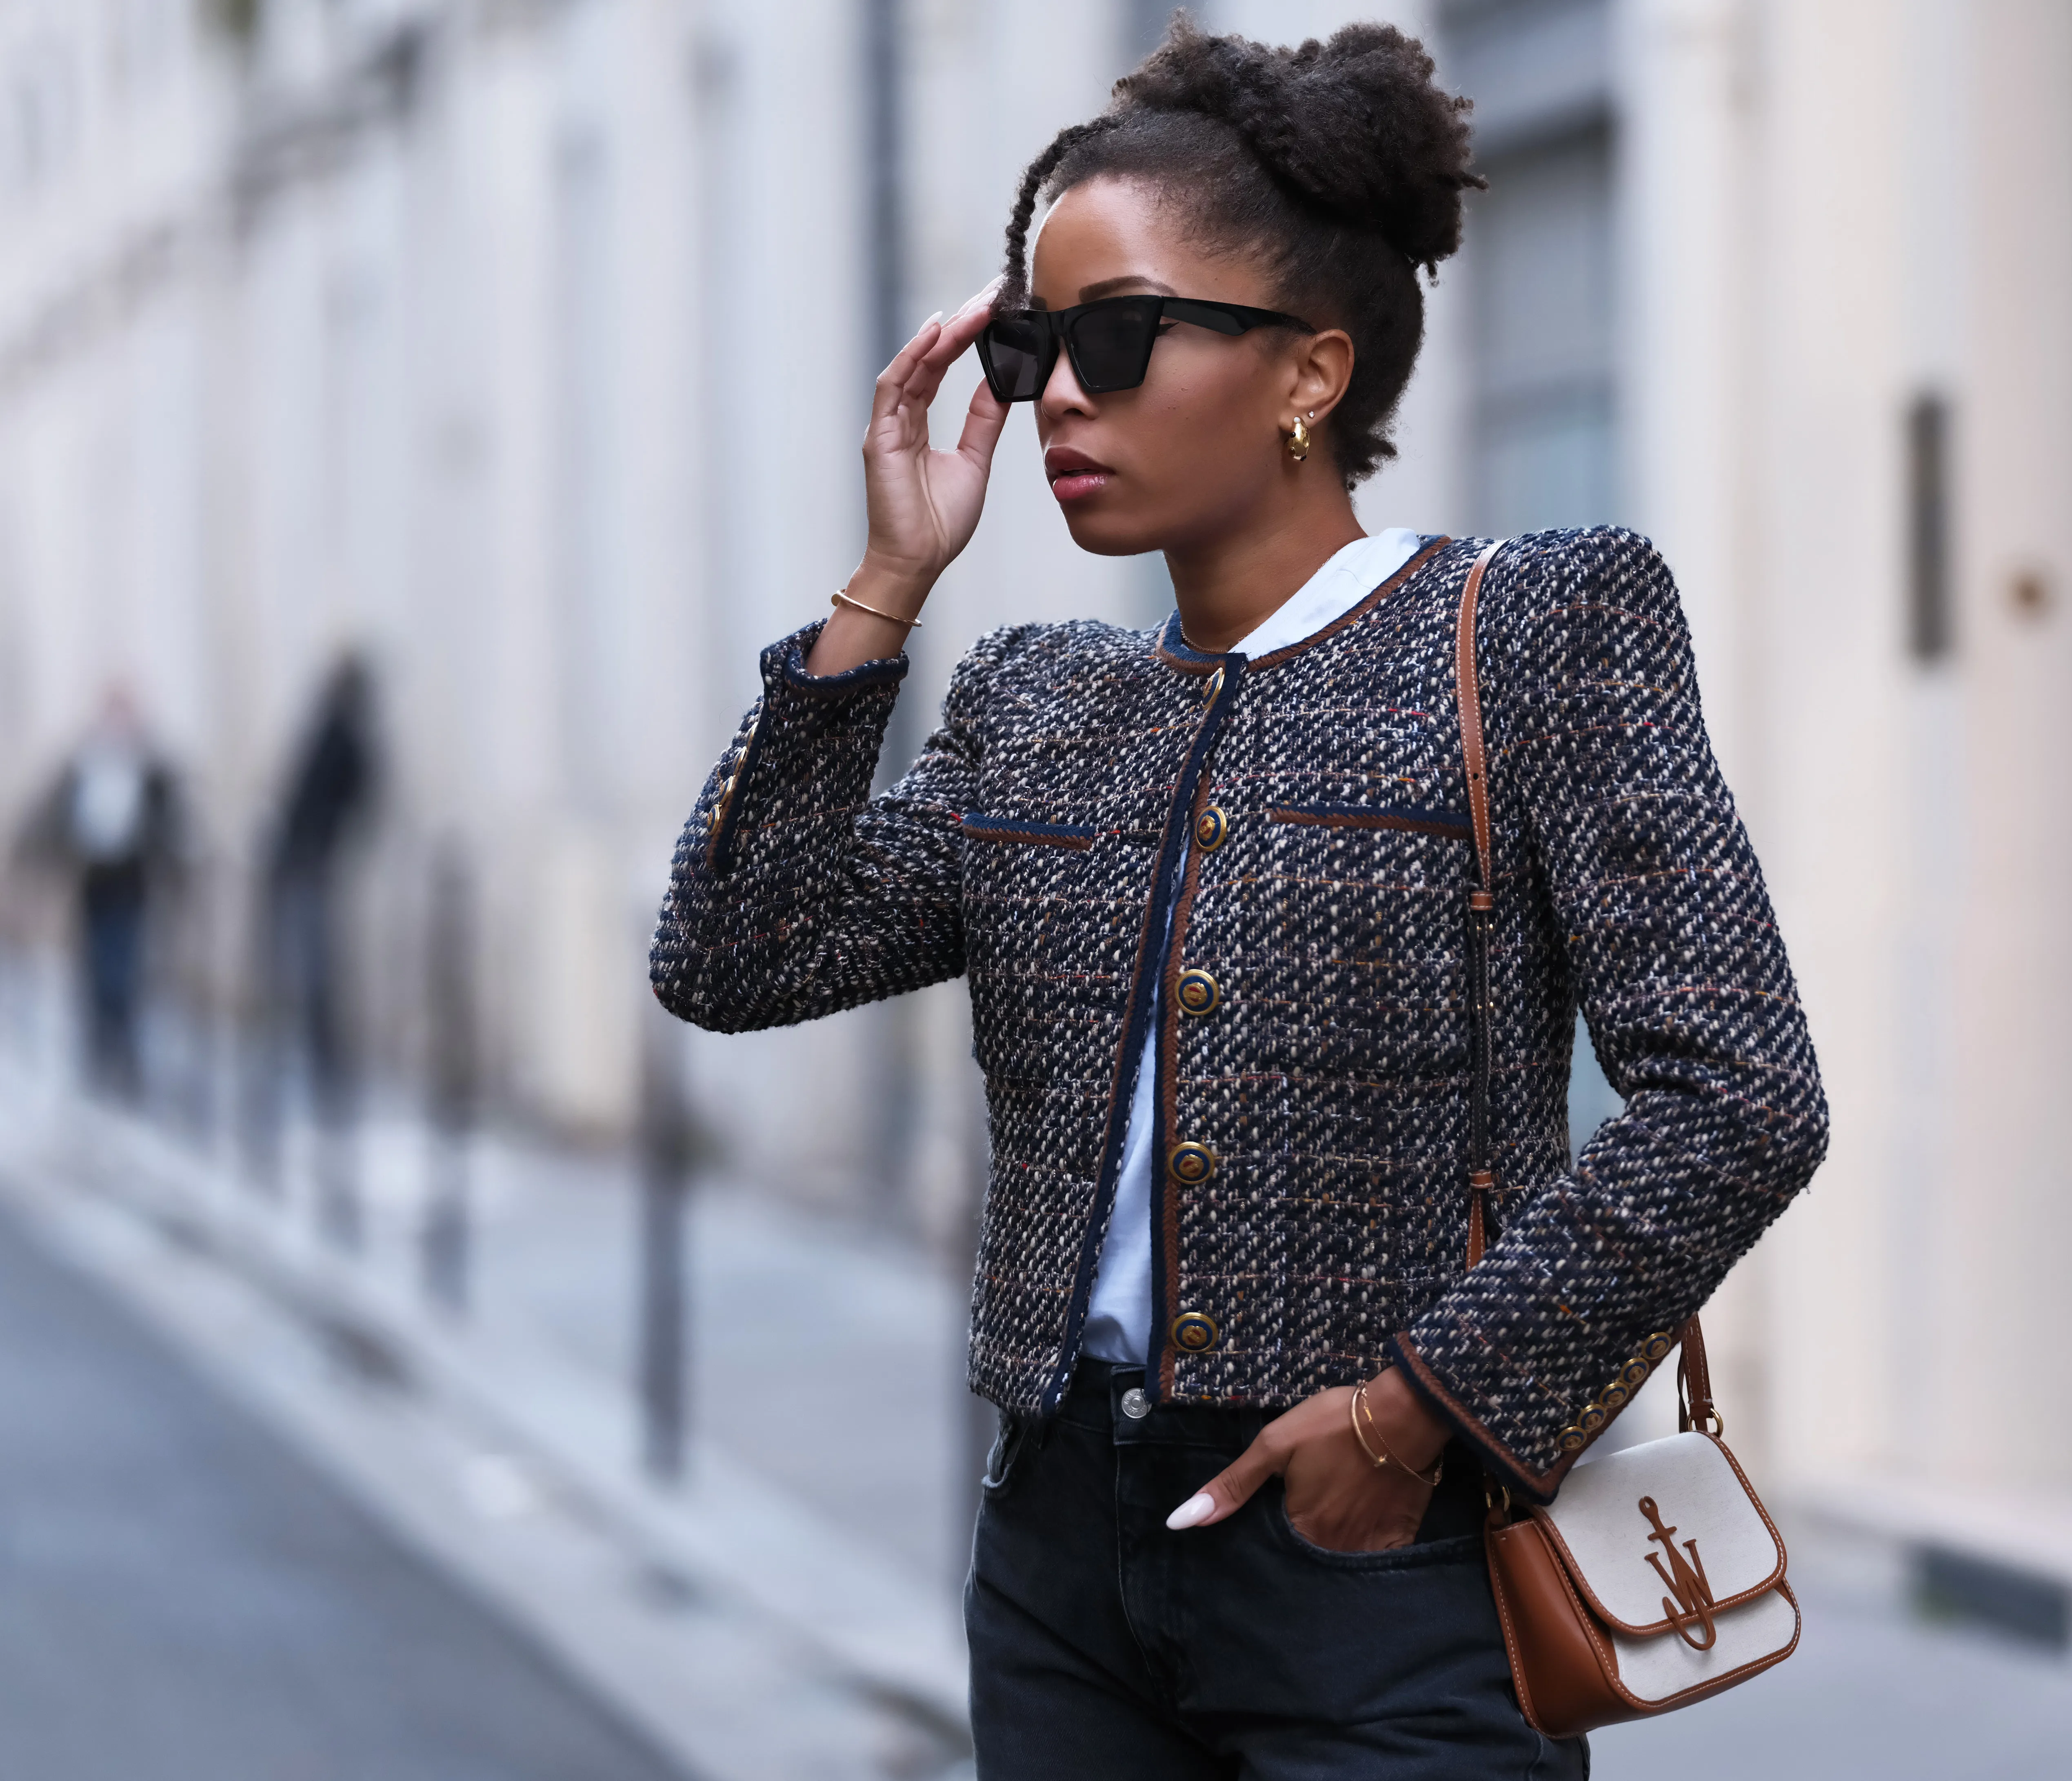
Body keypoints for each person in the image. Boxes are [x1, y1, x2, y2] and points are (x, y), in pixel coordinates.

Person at [650, 21, 1828, 1777]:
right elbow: (737, 952)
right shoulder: (1040, 701)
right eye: (1037, 345)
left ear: (1309, 372)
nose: (1060, 395)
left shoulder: (1528, 632)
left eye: (1118, 337)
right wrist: (889, 582)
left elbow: (1740, 1095)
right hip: (1060, 1567)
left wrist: (1416, 1410)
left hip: (1386, 1560)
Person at [25, 685, 181, 1099]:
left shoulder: (149, 765)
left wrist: (177, 869)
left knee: (126, 969)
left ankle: (124, 1052)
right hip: (95, 881)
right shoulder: (85, 762)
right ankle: (102, 1048)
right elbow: (52, 813)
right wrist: (40, 852)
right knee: (98, 967)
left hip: (131, 881)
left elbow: (170, 821)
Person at [263, 653, 381, 1133]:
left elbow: (345, 799)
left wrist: (320, 841)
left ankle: (323, 1063)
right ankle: (315, 1060)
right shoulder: (339, 732)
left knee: (314, 970)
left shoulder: (340, 734)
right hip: (305, 862)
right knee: (308, 968)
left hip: (310, 863)